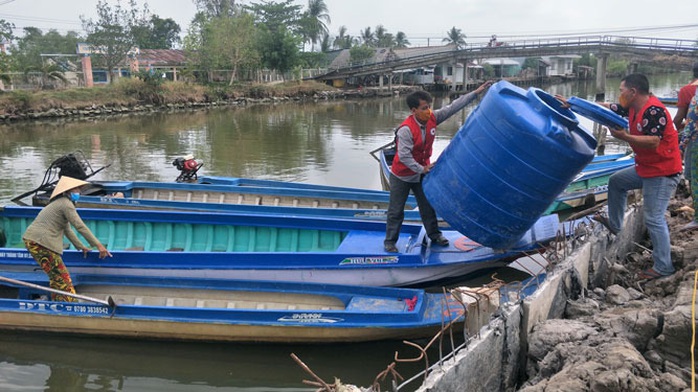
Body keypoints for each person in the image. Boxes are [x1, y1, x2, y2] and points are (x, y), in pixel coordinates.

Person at [384, 81, 492, 253]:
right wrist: (422, 169)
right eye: (424, 108)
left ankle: (435, 235)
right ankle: (390, 241)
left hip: (421, 173)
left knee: (428, 206)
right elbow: (404, 156)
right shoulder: (405, 130)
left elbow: (454, 107)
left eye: (429, 107)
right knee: (396, 210)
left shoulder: (432, 118)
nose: (428, 111)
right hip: (402, 175)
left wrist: (475, 93)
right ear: (413, 111)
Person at [594, 74, 682, 280]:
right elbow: (605, 107)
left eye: (621, 90)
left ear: (633, 92)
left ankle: (664, 267)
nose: (619, 94)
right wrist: (572, 104)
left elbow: (652, 141)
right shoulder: (632, 107)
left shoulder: (654, 110)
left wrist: (624, 137)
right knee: (617, 182)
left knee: (654, 218)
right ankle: (615, 224)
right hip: (647, 168)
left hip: (662, 172)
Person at [22, 176, 112, 301]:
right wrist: (98, 245)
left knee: (56, 276)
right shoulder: (65, 204)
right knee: (63, 277)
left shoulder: (61, 203)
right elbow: (79, 226)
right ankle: (72, 304)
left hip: (35, 241)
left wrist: (81, 247)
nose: (79, 192)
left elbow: (67, 229)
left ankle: (58, 302)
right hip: (40, 242)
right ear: (68, 191)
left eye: (79, 189)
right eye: (76, 189)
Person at [673, 62, 698, 231]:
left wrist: (680, 146)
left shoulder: (693, 93)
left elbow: (689, 122)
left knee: (694, 178)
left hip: (696, 143)